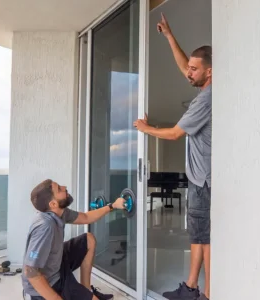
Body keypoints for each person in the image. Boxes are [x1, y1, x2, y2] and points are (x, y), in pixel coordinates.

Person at [133, 13, 212, 300]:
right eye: (189, 68)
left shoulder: (206, 99)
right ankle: (192, 288)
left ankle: (206, 295)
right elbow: (183, 67)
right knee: (199, 237)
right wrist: (169, 35)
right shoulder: (207, 87)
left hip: (204, 179)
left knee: (205, 239)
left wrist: (145, 128)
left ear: (209, 72)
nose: (188, 72)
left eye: (194, 69)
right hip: (201, 178)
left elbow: (175, 134)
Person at [22, 179, 127, 300]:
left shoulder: (60, 213)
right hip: (46, 286)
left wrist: (112, 206)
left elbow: (86, 217)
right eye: (59, 189)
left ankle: (86, 289)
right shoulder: (45, 226)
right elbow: (31, 272)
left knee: (88, 239)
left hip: (57, 264)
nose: (64, 187)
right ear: (53, 204)